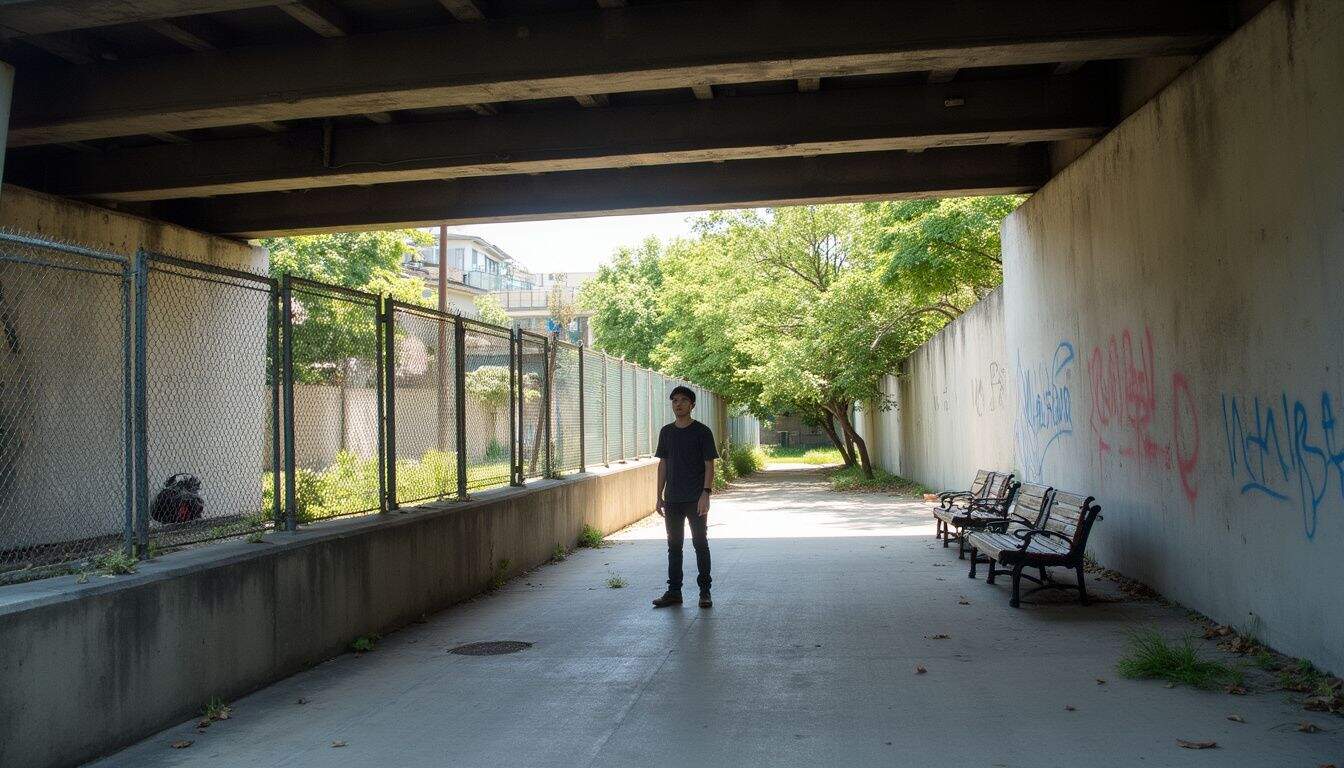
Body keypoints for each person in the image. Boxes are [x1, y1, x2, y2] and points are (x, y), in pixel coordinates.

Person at [652, 385, 719, 609]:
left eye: (682, 400)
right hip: (672, 499)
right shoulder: (666, 432)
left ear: (692, 405)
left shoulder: (702, 432)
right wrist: (658, 495)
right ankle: (674, 592)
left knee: (700, 544)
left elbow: (709, 466)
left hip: (695, 498)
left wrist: (705, 494)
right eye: (674, 400)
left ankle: (705, 592)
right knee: (674, 546)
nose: (678, 404)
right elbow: (663, 464)